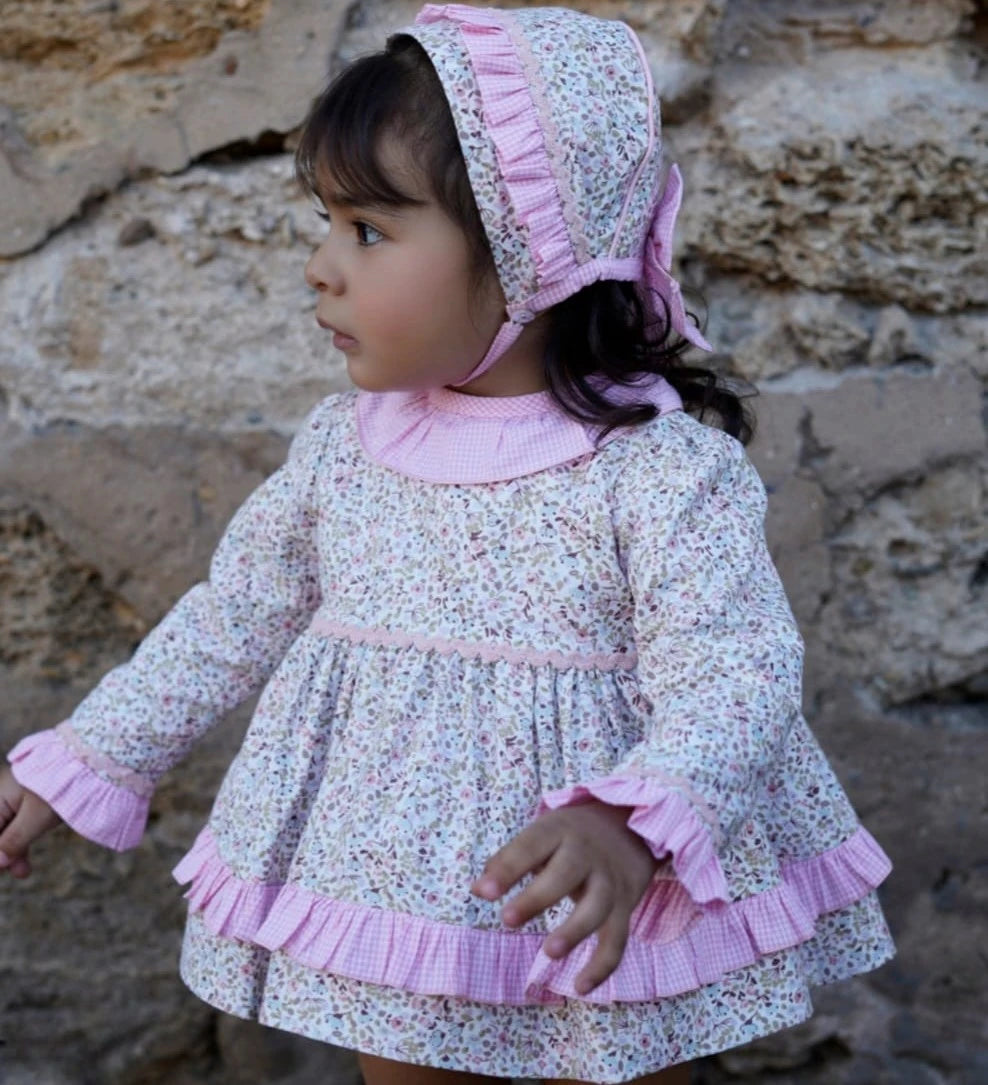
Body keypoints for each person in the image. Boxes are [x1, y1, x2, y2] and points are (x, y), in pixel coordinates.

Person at [0, 5, 895, 1083]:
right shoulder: (346, 448)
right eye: (326, 223)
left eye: (368, 231)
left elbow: (736, 671)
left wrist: (633, 819)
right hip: (409, 888)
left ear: (532, 250)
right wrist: (94, 755)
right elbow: (233, 613)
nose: (321, 268)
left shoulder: (655, 470)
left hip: (603, 894)